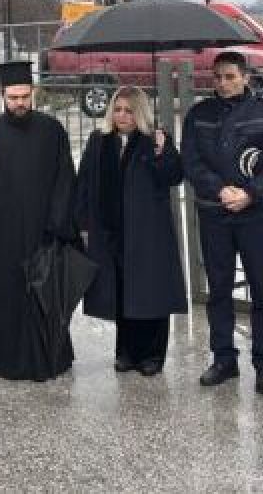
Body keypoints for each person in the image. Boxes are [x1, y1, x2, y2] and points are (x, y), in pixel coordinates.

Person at [181, 51, 263, 396]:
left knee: (262, 290)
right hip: (214, 213)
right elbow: (192, 161)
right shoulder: (199, 114)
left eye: (230, 76)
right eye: (217, 77)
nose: (223, 83)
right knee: (219, 289)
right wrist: (219, 190)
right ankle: (223, 359)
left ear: (245, 77)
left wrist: (250, 193)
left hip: (256, 215)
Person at [0, 61, 78, 381]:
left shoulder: (52, 132)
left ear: (33, 93)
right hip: (0, 242)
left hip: (43, 235)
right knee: (3, 299)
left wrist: (55, 225)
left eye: (25, 96)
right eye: (13, 98)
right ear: (2, 95)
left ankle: (47, 358)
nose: (20, 103)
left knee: (43, 300)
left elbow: (65, 182)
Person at [76, 86, 186, 375]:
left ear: (140, 113)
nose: (122, 115)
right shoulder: (99, 142)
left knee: (150, 292)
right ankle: (125, 352)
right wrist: (83, 224)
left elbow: (174, 176)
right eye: (118, 109)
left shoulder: (155, 140)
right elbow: (84, 183)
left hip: (147, 232)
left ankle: (153, 355)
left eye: (129, 110)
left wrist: (162, 152)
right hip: (111, 232)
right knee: (122, 292)